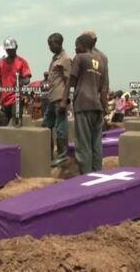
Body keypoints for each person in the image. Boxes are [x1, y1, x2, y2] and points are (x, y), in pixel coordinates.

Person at [62, 34, 109, 173]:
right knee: (96, 145)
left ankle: (86, 178)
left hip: (83, 104)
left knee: (83, 146)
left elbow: (71, 81)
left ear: (83, 45)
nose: (75, 48)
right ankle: (97, 175)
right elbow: (104, 88)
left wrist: (64, 101)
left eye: (77, 45)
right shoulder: (101, 61)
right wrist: (104, 108)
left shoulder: (80, 58)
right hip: (97, 107)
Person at [44, 33, 72, 162]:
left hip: (60, 98)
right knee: (46, 126)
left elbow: (68, 80)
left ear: (59, 43)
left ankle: (62, 156)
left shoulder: (65, 59)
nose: (49, 47)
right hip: (51, 97)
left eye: (51, 44)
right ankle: (48, 154)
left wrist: (64, 100)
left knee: (61, 129)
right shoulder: (54, 58)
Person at [0, 37, 32, 126]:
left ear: (16, 47)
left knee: (16, 123)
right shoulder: (1, 63)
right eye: (7, 49)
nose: (9, 51)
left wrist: (22, 81)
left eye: (11, 49)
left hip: (16, 98)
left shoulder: (21, 62)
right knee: (1, 123)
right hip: (4, 98)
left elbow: (27, 78)